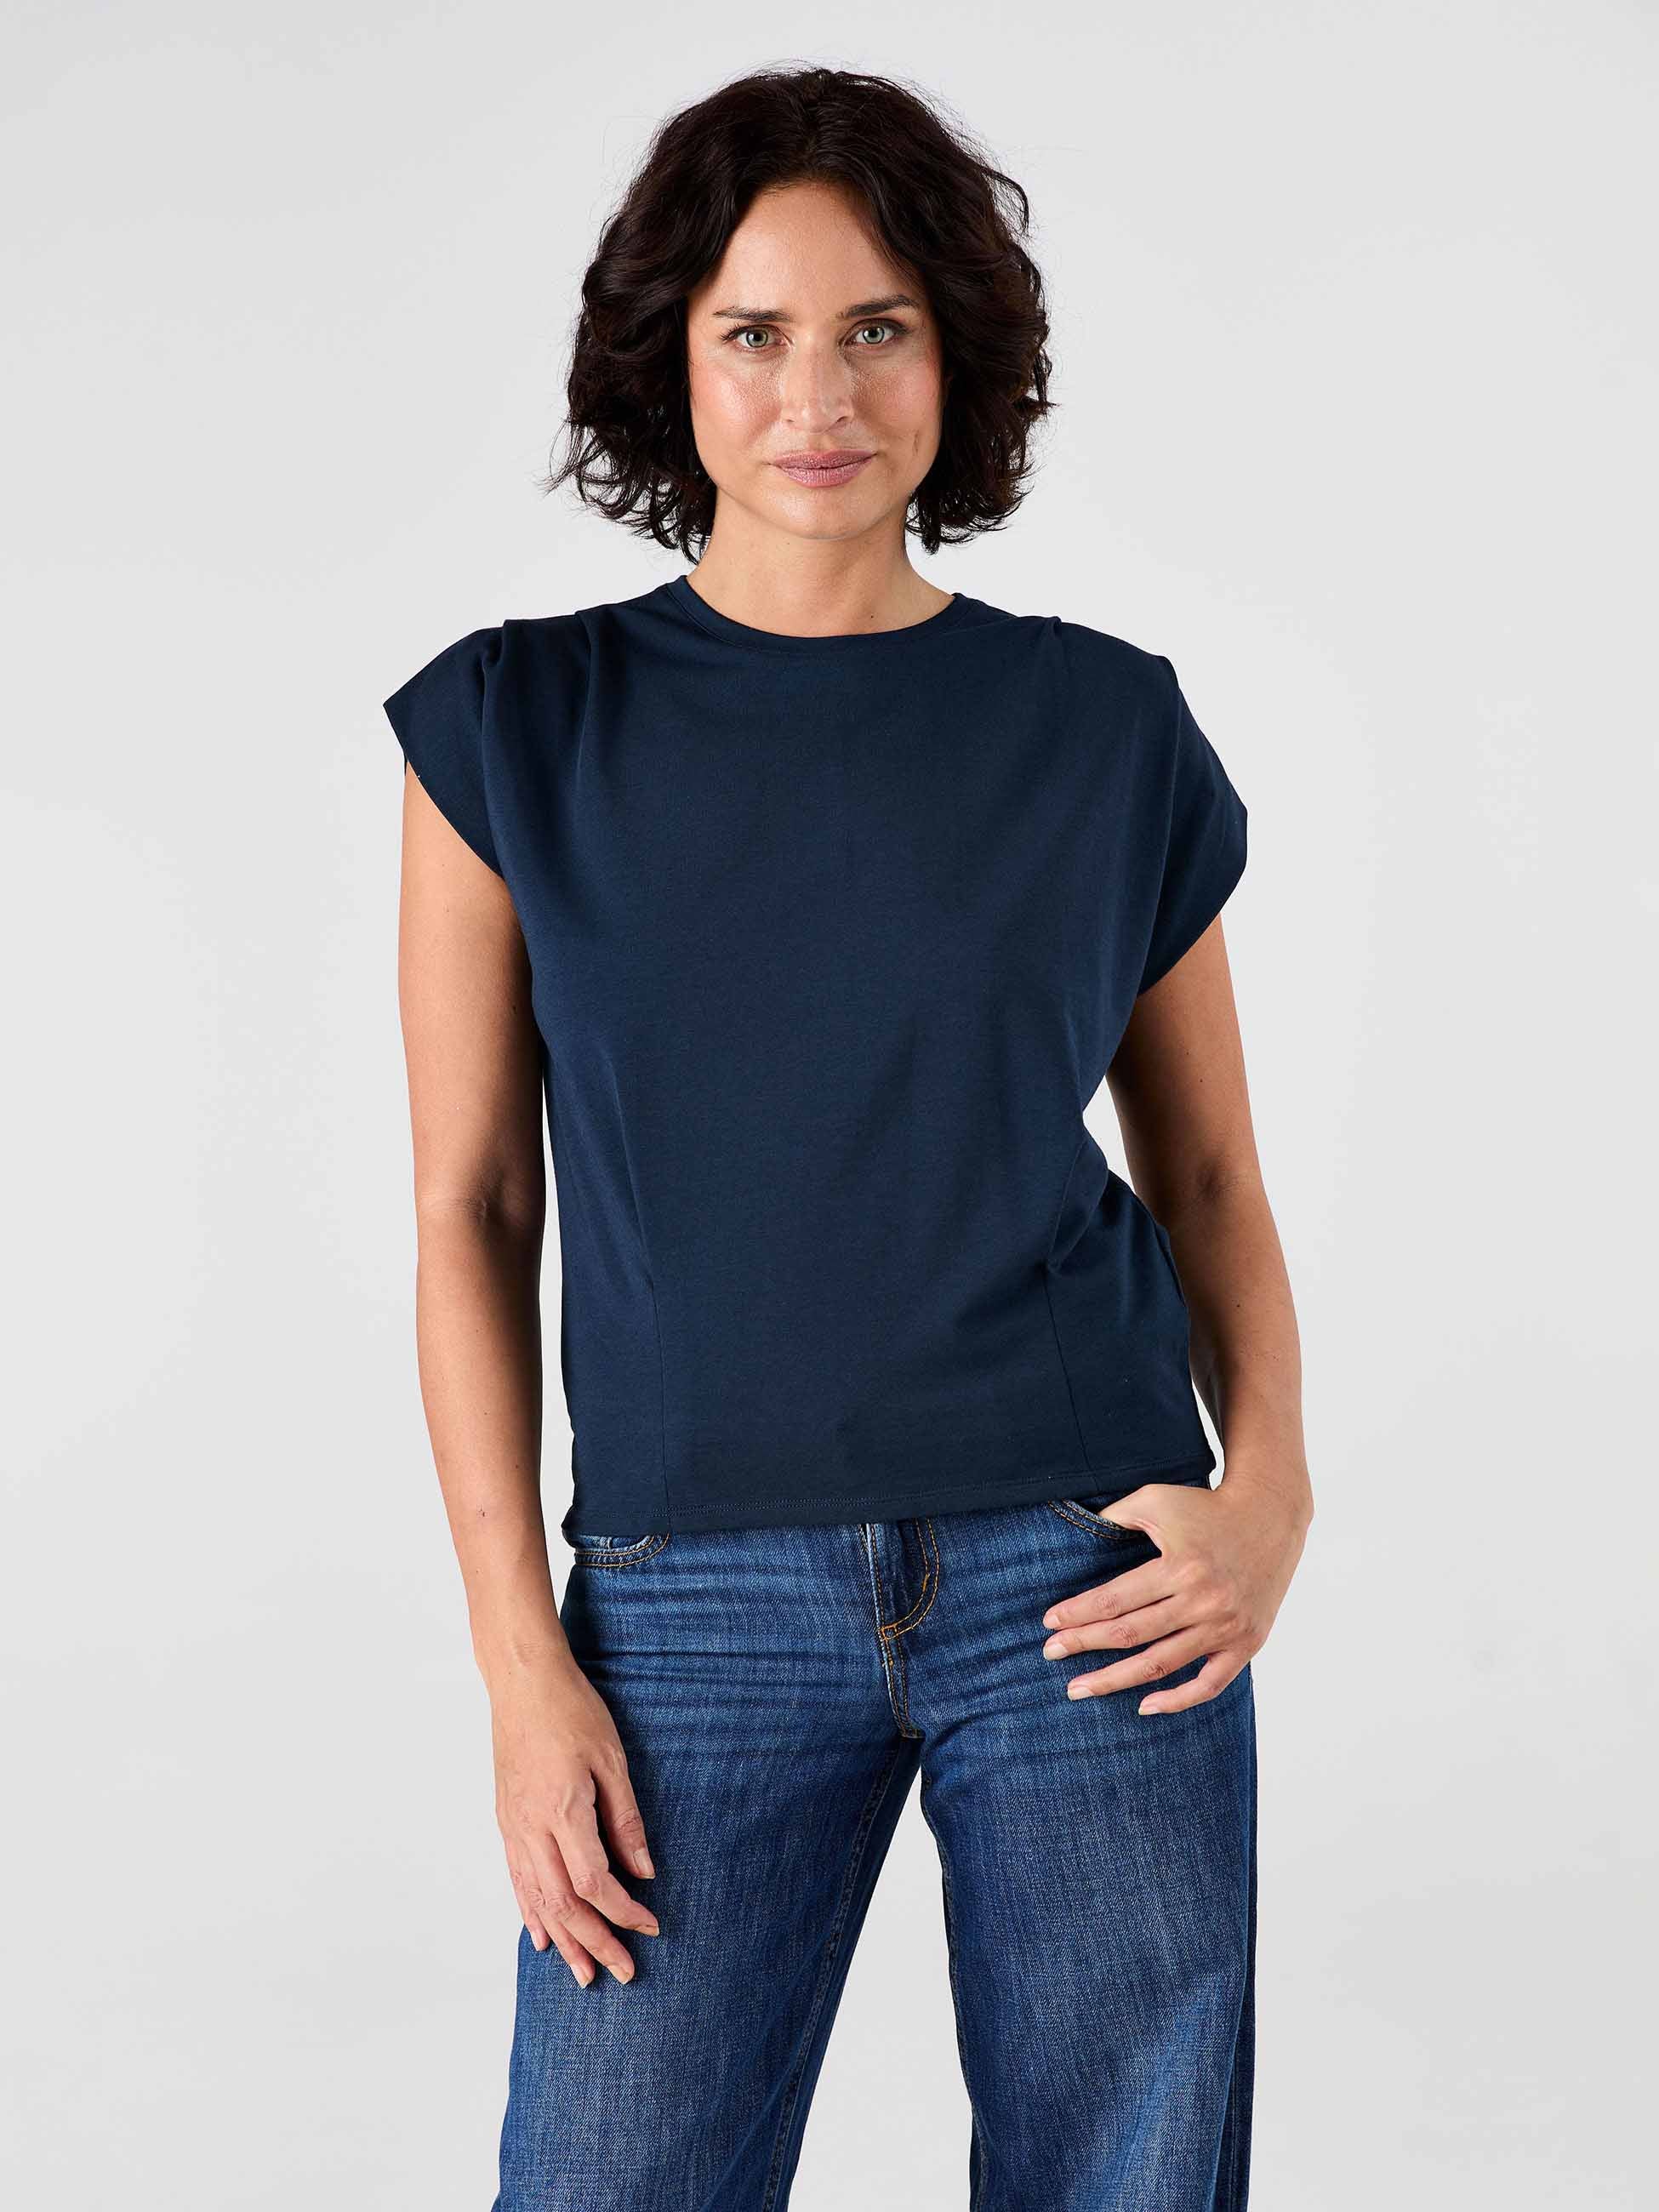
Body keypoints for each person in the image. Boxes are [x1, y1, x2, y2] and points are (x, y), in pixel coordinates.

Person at [382, 62, 1313, 2212]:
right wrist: (523, 1664)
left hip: (1087, 1569)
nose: (818, 393)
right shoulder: (516, 727)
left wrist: (1267, 1491)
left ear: (955, 356)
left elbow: (1204, 1174)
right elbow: (470, 1205)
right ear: (673, 361)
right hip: (685, 1600)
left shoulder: (1103, 724)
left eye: (878, 327)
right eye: (756, 332)